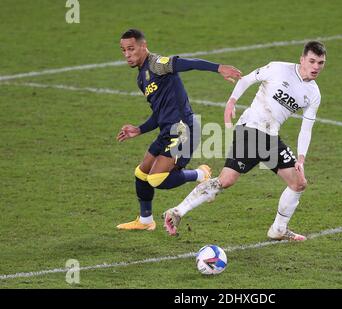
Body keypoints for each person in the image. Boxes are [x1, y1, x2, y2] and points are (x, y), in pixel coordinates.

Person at [163, 41, 326, 241]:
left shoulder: (314, 94)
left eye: (321, 63)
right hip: (250, 128)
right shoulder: (278, 69)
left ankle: (278, 230)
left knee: (296, 183)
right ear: (302, 59)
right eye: (312, 61)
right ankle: (178, 211)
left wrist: (301, 159)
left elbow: (306, 128)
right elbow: (246, 80)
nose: (316, 67)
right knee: (229, 180)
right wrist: (232, 101)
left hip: (270, 137)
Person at [116, 29, 242, 231]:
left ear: (143, 46)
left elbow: (186, 63)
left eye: (131, 49)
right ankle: (145, 221)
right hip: (167, 130)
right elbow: (159, 113)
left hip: (185, 130)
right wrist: (139, 129)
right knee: (141, 173)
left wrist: (219, 68)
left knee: (157, 179)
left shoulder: (157, 64)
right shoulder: (141, 78)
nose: (127, 54)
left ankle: (200, 174)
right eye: (123, 50)